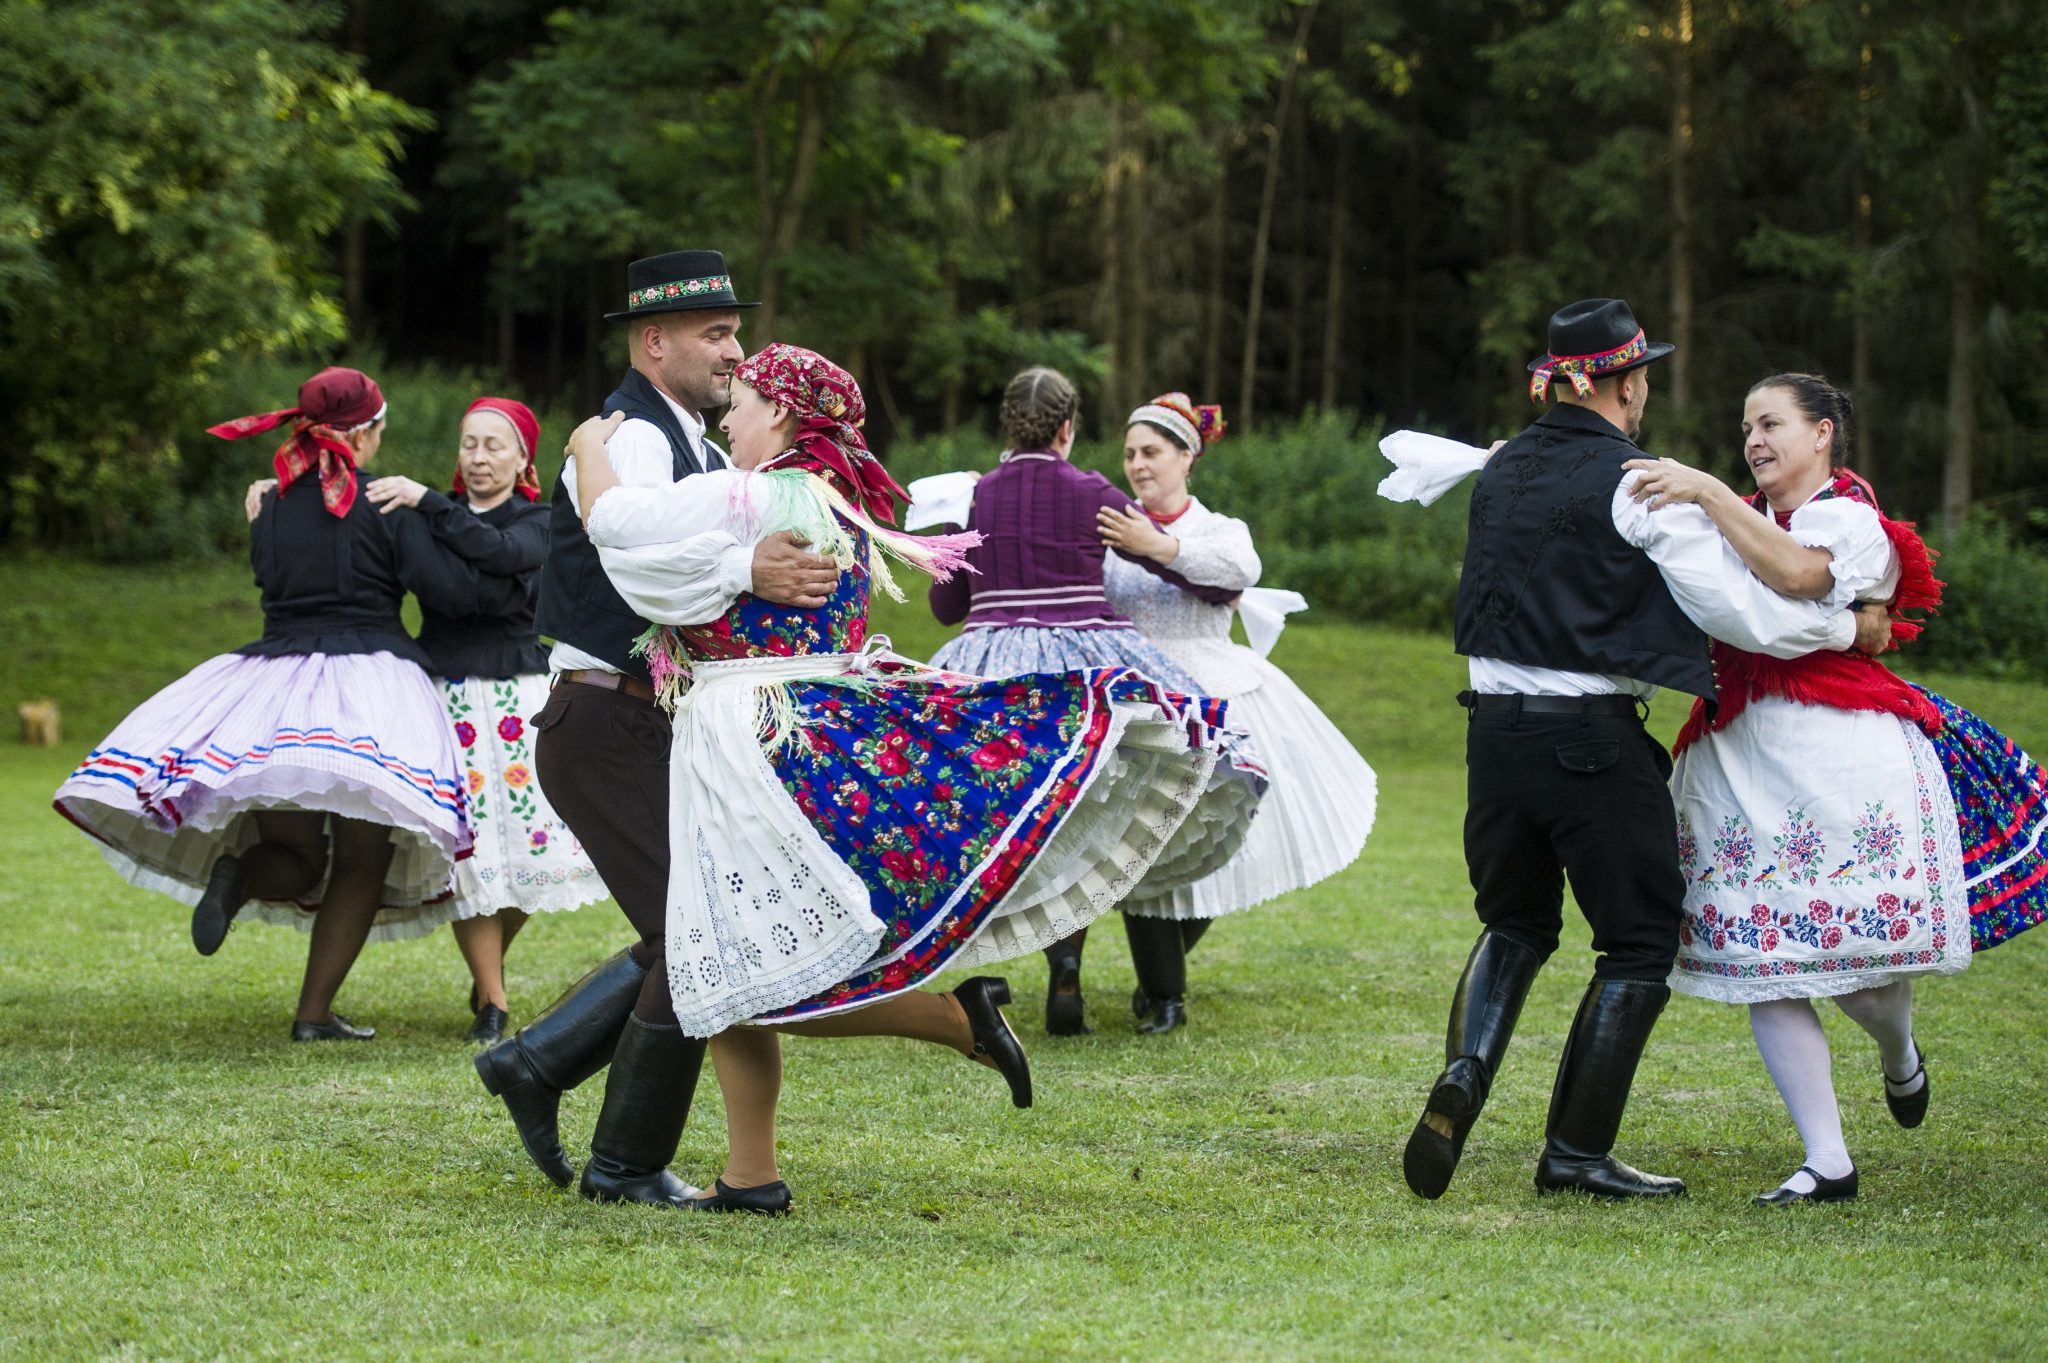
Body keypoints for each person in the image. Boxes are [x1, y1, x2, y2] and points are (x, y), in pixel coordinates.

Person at [570, 341, 1246, 1211]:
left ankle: (913, 1047)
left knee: (730, 954)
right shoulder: (830, 498)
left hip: (749, 738)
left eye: (740, 402)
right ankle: (752, 1172)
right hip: (790, 726)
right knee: (726, 959)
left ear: (778, 411)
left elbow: (615, 526)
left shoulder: (750, 490)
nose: (726, 416)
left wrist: (589, 444)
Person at [1394, 299, 1891, 1201]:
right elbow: (1738, 613)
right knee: (1636, 942)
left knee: (1514, 923)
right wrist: (1844, 625)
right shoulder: (1636, 481)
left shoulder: (1502, 470)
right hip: (1589, 740)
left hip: (1491, 735)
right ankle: (1575, 1152)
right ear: (1629, 383)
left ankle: (1466, 1071)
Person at [1619, 373, 2047, 1204]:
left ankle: (1900, 1054)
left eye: (1772, 423)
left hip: (1839, 760)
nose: (1754, 440)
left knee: (1858, 970)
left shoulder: (1850, 520)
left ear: (1823, 435)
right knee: (1762, 958)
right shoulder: (1740, 517)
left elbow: (1798, 577)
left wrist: (1706, 490)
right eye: (1745, 427)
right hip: (1740, 754)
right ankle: (1828, 1160)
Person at [471, 251, 843, 1206]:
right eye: (715, 335)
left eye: (734, 332)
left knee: (689, 924)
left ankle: (537, 1066)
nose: (734, 350)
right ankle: (622, 1164)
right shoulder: (625, 436)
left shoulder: (700, 441)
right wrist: (745, 571)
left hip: (652, 720)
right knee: (697, 935)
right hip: (601, 714)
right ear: (655, 342)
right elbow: (634, 556)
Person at [54, 367, 469, 1040]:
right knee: (362, 858)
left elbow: (271, 579)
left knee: (296, 852)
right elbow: (447, 590)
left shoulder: (268, 505)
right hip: (371, 688)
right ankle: (312, 1015)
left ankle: (240, 871)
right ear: (362, 434)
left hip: (277, 687)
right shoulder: (388, 504)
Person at [923, 367, 1266, 1036]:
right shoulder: (1091, 493)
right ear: (1067, 428)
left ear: (1006, 427)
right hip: (1086, 664)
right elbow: (1192, 576)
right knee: (1102, 805)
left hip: (993, 666)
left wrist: (945, 538)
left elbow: (946, 607)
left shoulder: (975, 499)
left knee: (1040, 820)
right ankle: (1155, 983)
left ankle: (1065, 971)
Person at [1095, 393, 1377, 1032]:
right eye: (1130, 454)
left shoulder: (1217, 528)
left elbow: (1237, 571)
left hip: (1213, 686)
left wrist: (1160, 547)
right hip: (1136, 695)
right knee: (1142, 840)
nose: (1139, 465)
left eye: (1152, 452)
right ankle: (1164, 994)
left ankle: (1163, 979)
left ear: (1186, 457)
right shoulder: (1111, 527)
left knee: (1213, 838)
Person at [359, 396, 605, 1046]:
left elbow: (504, 553)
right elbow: (468, 588)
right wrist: (279, 489)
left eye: (494, 445)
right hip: (446, 699)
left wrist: (437, 514)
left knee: (534, 848)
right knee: (467, 853)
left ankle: (489, 966)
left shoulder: (543, 516)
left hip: (524, 701)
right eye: (469, 444)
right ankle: (493, 1000)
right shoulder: (416, 513)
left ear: (524, 457)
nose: (478, 458)